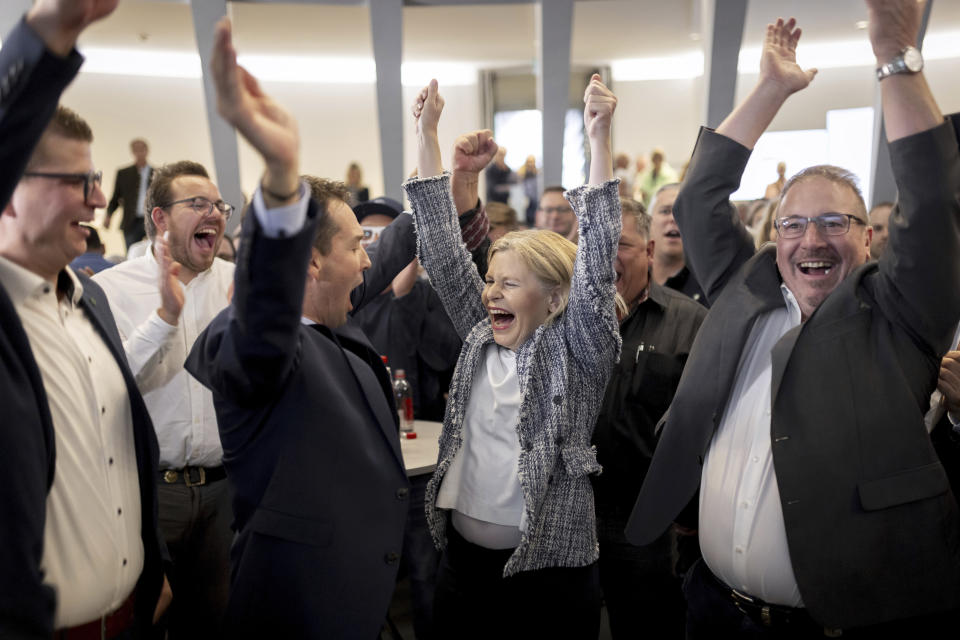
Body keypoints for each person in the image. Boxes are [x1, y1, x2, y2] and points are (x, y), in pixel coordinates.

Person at [628, 4, 960, 636]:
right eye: (794, 223)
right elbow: (699, 196)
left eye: (835, 222)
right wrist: (771, 89)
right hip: (711, 604)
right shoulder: (742, 292)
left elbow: (934, 197)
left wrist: (896, 58)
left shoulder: (898, 319)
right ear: (773, 237)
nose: (812, 238)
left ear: (869, 241)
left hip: (835, 623)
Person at [184, 18, 420, 638]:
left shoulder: (336, 319)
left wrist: (432, 151)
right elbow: (263, 318)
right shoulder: (254, 343)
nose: (368, 261)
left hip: (354, 601)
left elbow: (396, 247)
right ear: (308, 260)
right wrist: (281, 177)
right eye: (354, 246)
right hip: (296, 610)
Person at [404, 74, 621, 639]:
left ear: (554, 297)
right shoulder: (482, 335)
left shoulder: (579, 351)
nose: (491, 292)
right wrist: (426, 135)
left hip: (549, 574)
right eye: (492, 280)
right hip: (463, 568)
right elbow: (443, 250)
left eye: (510, 283)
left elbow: (596, 266)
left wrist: (599, 140)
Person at [0, 2, 168, 636]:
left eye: (97, 178)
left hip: (130, 615)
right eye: (79, 181)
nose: (101, 199)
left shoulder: (91, 298)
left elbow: (116, 456)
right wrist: (44, 38)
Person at [94, 160, 236, 638]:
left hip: (224, 492)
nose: (213, 213)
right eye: (197, 204)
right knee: (142, 624)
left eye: (218, 205)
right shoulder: (109, 290)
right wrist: (164, 318)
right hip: (150, 494)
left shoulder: (237, 287)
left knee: (214, 624)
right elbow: (111, 384)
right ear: (159, 218)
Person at [591, 197, 707, 639]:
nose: (606, 257)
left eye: (620, 244)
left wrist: (691, 505)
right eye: (594, 244)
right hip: (567, 509)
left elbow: (704, 426)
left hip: (646, 519)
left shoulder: (689, 323)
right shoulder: (560, 317)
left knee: (647, 627)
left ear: (650, 251)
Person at [649, 183, 707, 305]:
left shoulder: (707, 287)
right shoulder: (630, 277)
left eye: (682, 211)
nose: (673, 218)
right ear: (649, 221)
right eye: (665, 211)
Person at [106, 138, 154, 250]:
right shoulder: (123, 174)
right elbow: (115, 198)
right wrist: (109, 216)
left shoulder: (157, 173)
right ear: (132, 152)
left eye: (142, 149)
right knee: (132, 252)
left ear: (147, 150)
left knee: (155, 251)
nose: (139, 152)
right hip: (131, 222)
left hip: (151, 220)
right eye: (136, 149)